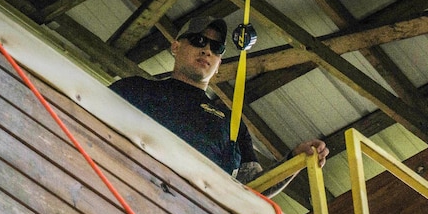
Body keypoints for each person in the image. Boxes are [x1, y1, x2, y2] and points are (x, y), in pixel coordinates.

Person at [110, 17, 329, 194]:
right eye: (198, 41)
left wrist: (294, 161)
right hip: (125, 188)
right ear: (175, 47)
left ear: (219, 65)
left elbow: (253, 187)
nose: (207, 50)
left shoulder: (231, 124)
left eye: (216, 47)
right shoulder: (134, 89)